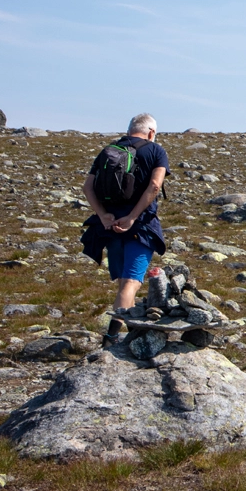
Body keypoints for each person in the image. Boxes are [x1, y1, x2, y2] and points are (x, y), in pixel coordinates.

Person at [80, 113, 169, 344]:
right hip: (140, 227)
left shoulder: (109, 150)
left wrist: (103, 215)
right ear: (151, 132)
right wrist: (132, 217)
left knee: (123, 284)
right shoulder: (156, 150)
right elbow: (155, 185)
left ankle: (130, 334)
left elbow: (87, 187)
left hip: (111, 227)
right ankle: (111, 336)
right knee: (131, 283)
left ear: (130, 129)